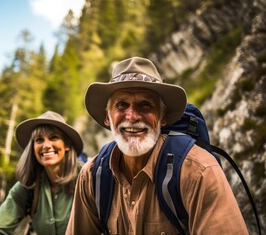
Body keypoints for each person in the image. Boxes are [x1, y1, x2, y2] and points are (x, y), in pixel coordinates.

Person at [66, 57, 248, 234]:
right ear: (107, 117)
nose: (132, 116)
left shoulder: (198, 171)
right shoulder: (92, 176)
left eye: (145, 105)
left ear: (163, 117)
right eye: (122, 105)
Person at [0, 111, 84, 235]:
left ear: (67, 145)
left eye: (53, 137)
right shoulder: (28, 187)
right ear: (33, 148)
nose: (46, 145)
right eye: (39, 140)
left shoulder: (87, 179)